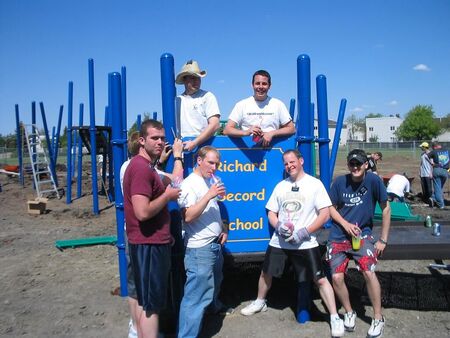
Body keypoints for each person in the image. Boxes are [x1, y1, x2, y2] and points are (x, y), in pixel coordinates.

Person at [239, 149, 345, 338]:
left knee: (320, 279)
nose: (289, 166)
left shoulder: (315, 184)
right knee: (266, 273)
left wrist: (305, 231)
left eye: (292, 162)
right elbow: (271, 212)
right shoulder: (281, 186)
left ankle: (334, 316)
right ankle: (260, 301)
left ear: (301, 161)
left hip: (305, 243)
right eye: (286, 163)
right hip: (280, 242)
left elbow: (325, 214)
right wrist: (278, 225)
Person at [120, 131, 184, 338]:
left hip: (139, 237)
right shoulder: (141, 169)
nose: (159, 143)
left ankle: (137, 331)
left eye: (161, 139)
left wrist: (160, 163)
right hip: (147, 241)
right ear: (141, 143)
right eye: (155, 139)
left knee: (139, 293)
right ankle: (142, 332)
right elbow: (175, 182)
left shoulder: (140, 167)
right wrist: (178, 155)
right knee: (151, 303)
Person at [327, 148, 391, 338]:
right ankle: (349, 311)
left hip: (362, 236)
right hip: (339, 235)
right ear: (348, 165)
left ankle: (378, 317)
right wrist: (345, 224)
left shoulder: (373, 181)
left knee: (368, 271)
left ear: (365, 165)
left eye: (358, 164)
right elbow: (330, 207)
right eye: (351, 164)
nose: (355, 167)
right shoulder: (339, 182)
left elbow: (386, 209)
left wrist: (383, 240)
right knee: (337, 277)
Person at [176, 146, 232, 338]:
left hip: (214, 244)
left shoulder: (208, 180)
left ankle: (213, 308)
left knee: (214, 284)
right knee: (195, 297)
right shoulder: (189, 184)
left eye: (217, 164)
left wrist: (223, 229)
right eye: (210, 162)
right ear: (199, 161)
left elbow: (213, 210)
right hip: (199, 249)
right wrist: (209, 195)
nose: (214, 167)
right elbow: (188, 216)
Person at [223, 70, 295, 147]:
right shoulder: (241, 105)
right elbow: (227, 130)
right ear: (252, 85)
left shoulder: (278, 104)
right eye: (257, 83)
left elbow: (291, 129)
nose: (260, 87)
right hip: (247, 152)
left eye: (264, 84)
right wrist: (247, 132)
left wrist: (271, 133)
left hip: (272, 150)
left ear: (269, 86)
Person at [175, 60, 220, 152]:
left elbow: (215, 124)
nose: (196, 81)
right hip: (182, 148)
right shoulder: (177, 100)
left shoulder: (207, 96)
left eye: (198, 78)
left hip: (203, 148)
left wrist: (195, 143)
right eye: (192, 78)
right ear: (184, 79)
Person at [428, 141, 449, 209]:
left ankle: (441, 205)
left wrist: (432, 163)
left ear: (435, 147)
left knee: (437, 188)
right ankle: (433, 198)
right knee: (439, 187)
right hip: (445, 171)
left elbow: (426, 156)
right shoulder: (447, 150)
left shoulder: (434, 151)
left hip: (437, 170)